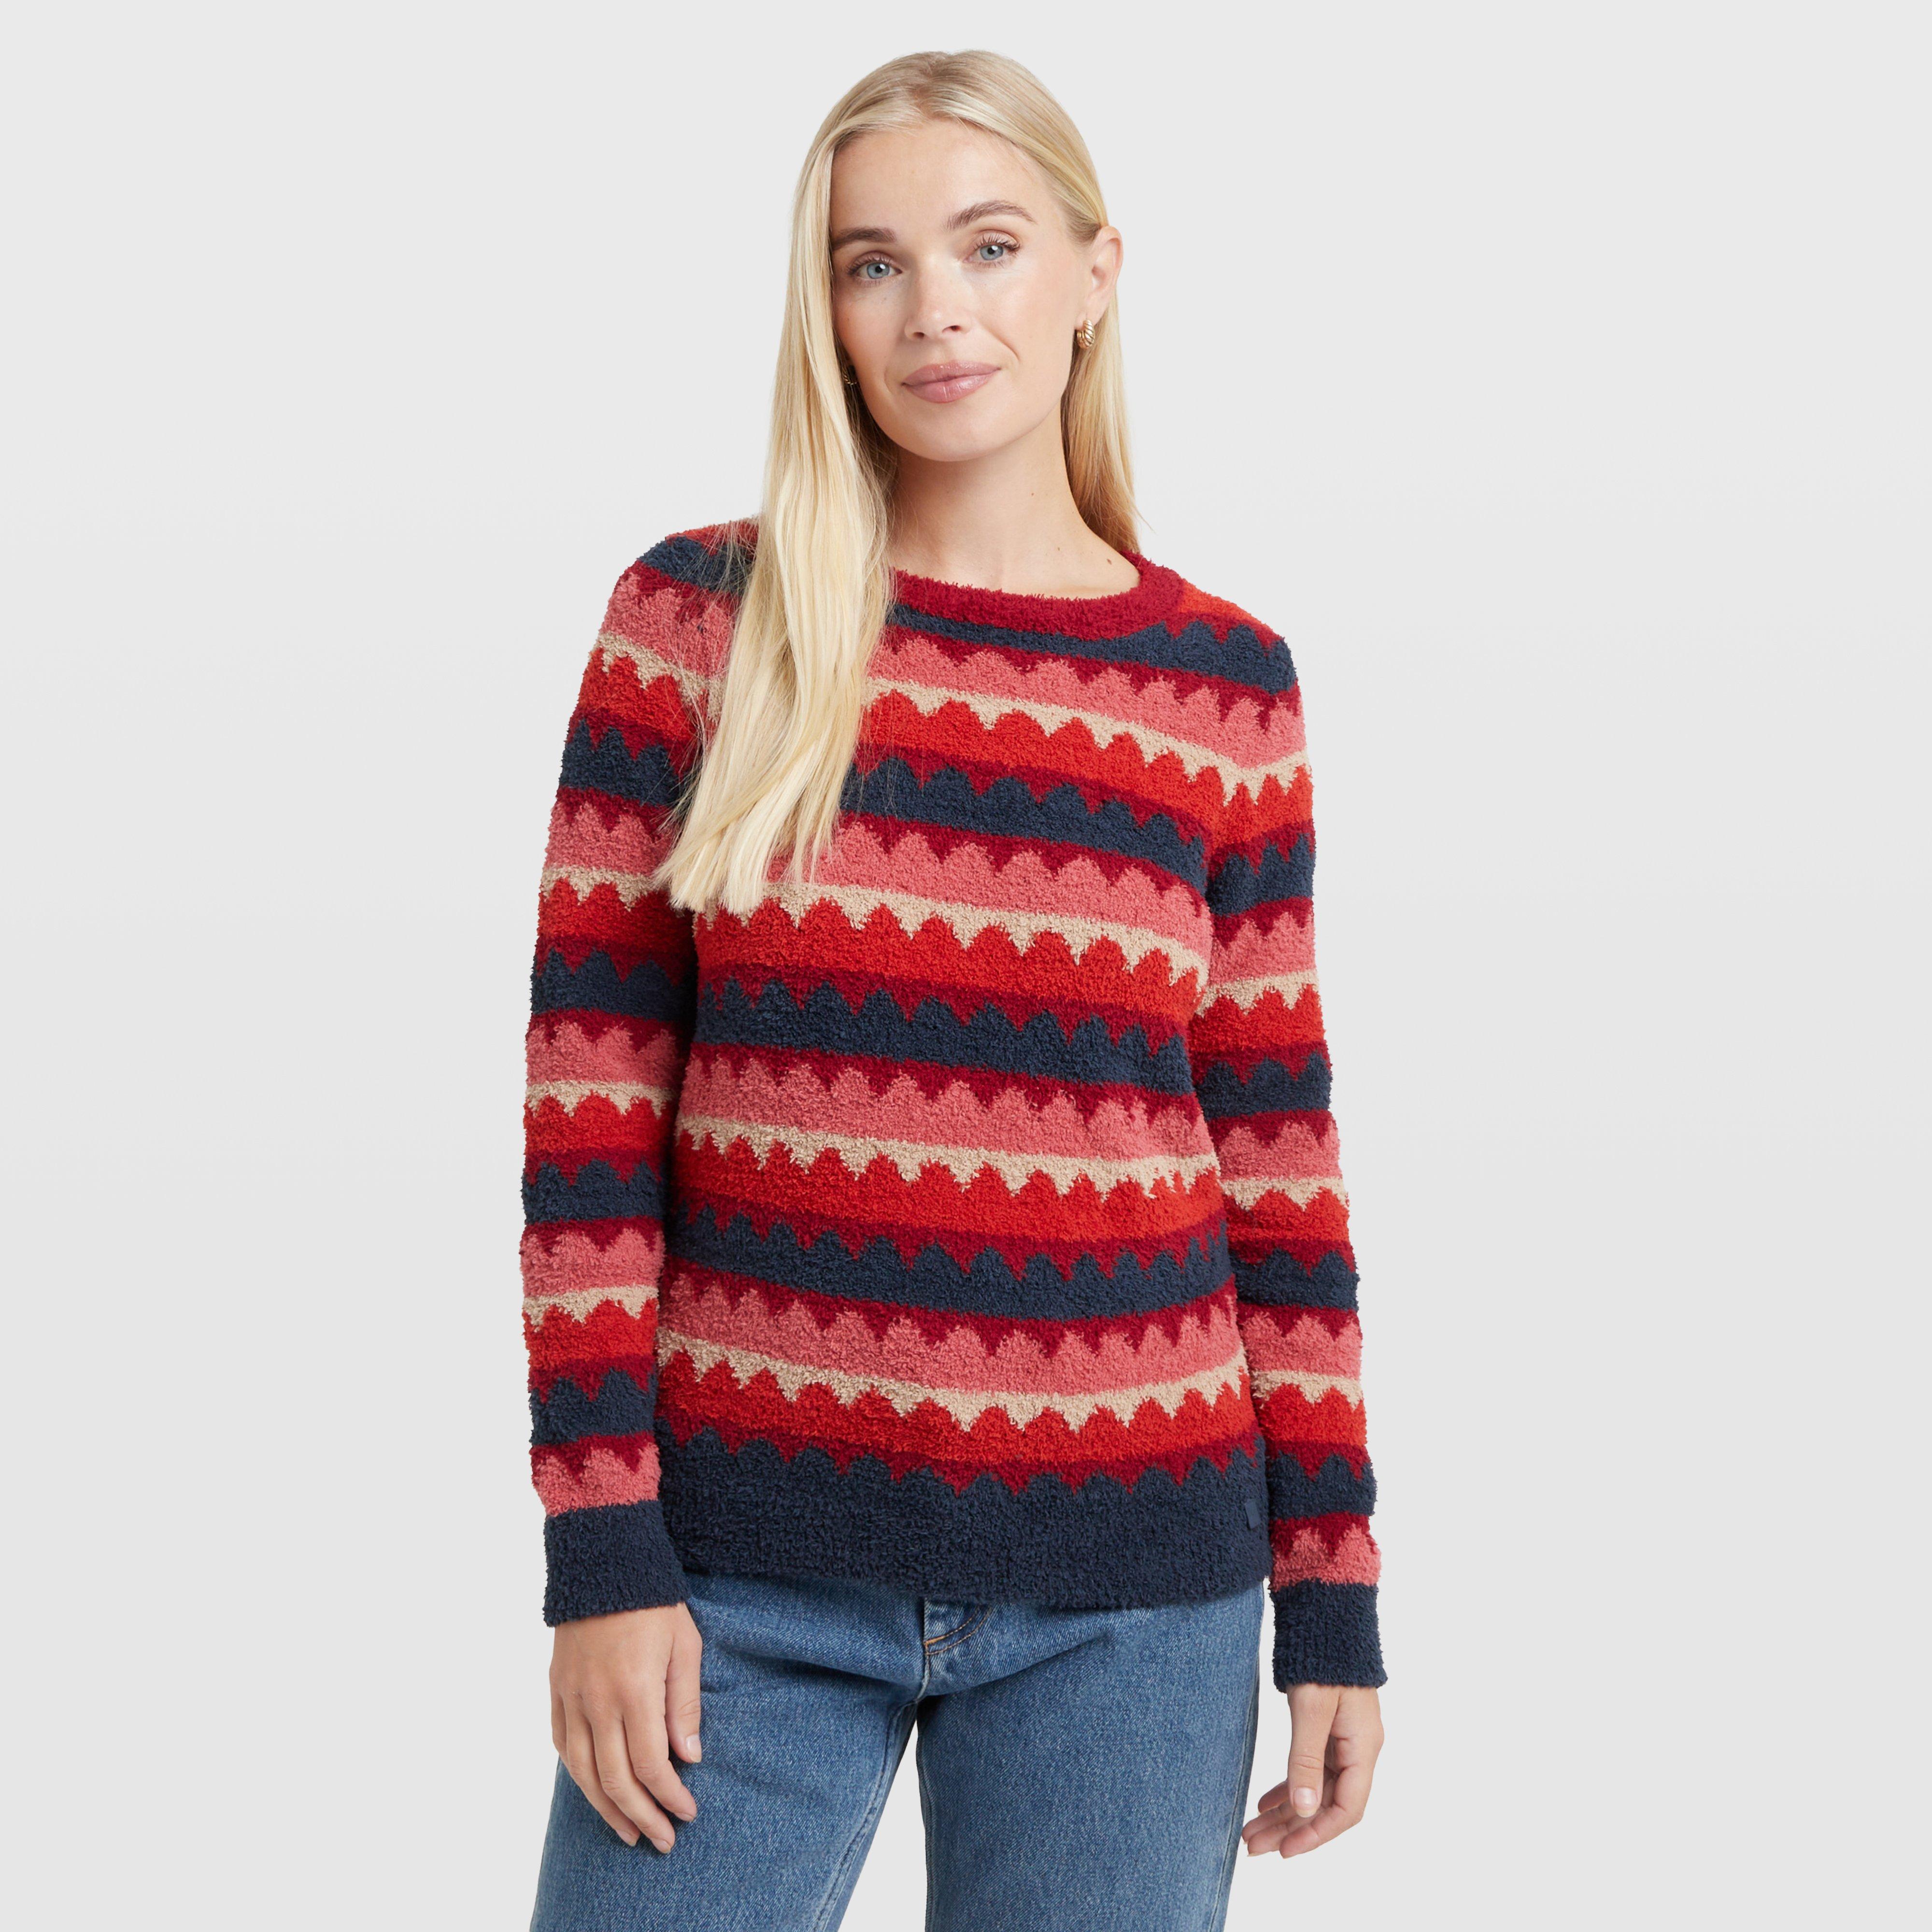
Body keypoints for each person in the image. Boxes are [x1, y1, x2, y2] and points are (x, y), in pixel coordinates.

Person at [520, 47, 1386, 1932]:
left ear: (1094, 273)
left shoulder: (1224, 687)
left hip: (1137, 1590)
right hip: (735, 1575)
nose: (933, 308)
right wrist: (602, 1550)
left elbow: (1277, 1168)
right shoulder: (699, 626)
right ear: (826, 308)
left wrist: (1331, 1593)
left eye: (989, 245)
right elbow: (588, 1127)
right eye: (872, 262)